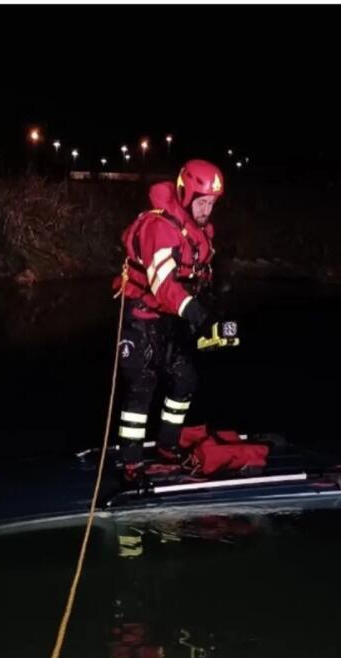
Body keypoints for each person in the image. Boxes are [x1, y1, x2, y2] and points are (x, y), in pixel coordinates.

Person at [113, 159, 239, 485]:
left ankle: (168, 446)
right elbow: (163, 284)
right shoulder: (160, 227)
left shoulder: (198, 231)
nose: (206, 209)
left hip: (170, 318)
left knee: (185, 380)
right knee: (142, 386)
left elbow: (196, 278)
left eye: (211, 203)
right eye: (201, 202)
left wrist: (212, 312)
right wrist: (196, 313)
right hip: (140, 315)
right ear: (185, 194)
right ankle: (131, 465)